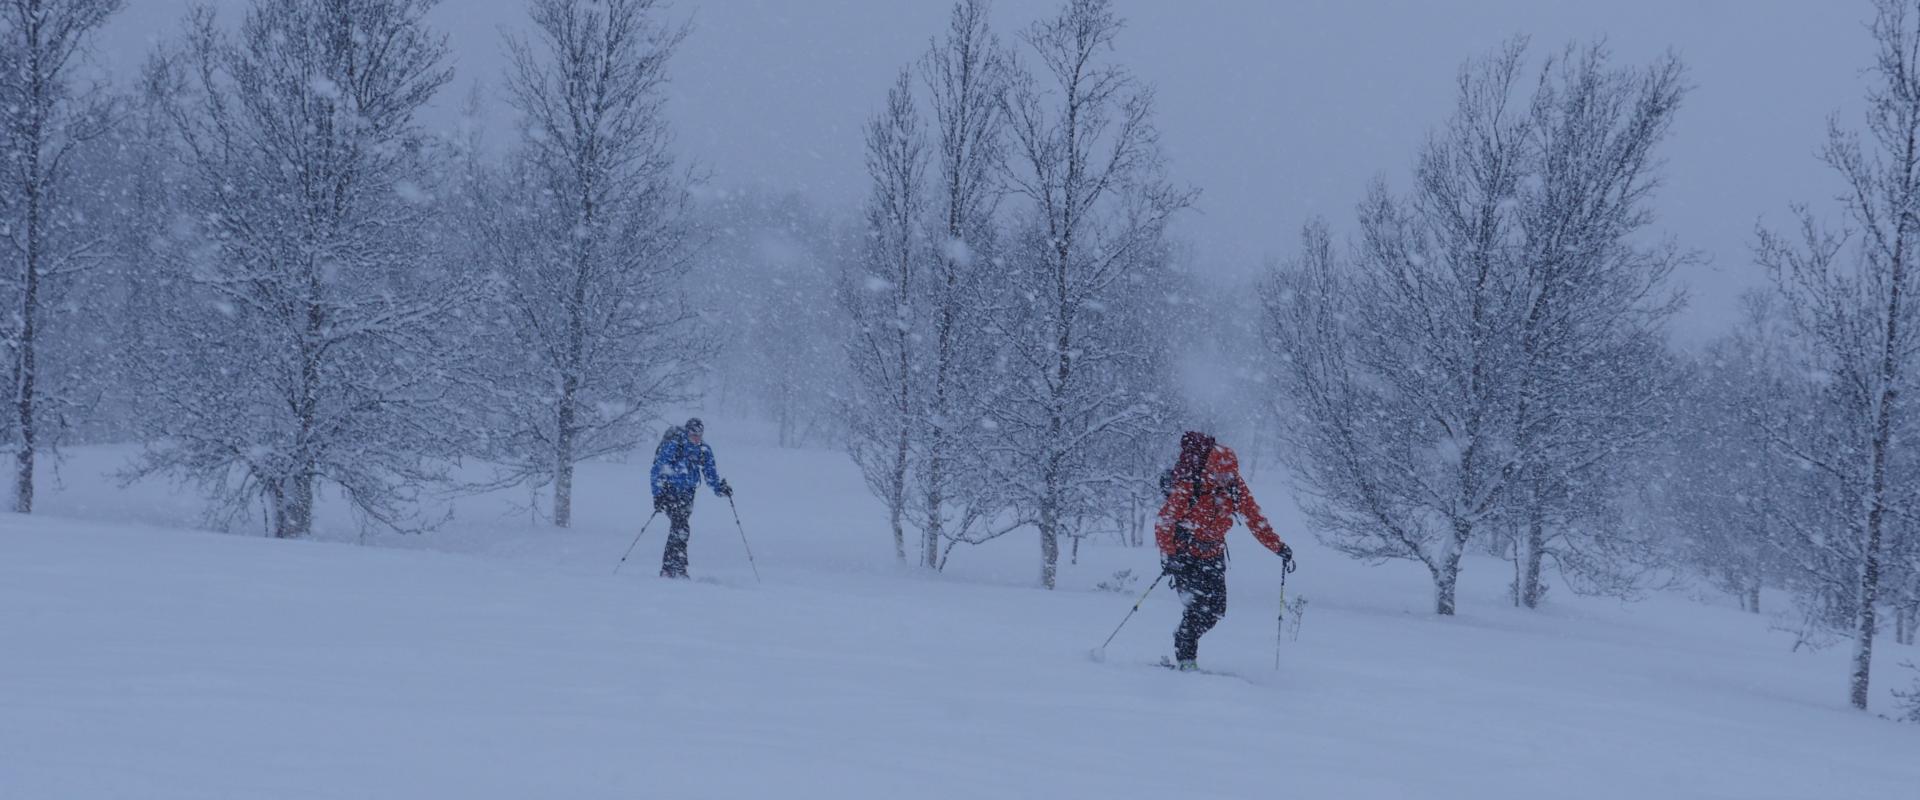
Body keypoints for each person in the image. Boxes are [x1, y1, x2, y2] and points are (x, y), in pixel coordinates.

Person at [1154, 431, 1294, 671]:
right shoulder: (1191, 486)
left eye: (1230, 473)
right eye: (1221, 473)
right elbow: (1165, 522)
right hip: (1186, 555)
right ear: (1210, 469)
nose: (1225, 478)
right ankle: (1186, 657)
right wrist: (1171, 554)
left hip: (1214, 556)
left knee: (1215, 611)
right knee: (1197, 608)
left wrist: (1278, 547)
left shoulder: (1234, 487)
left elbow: (1255, 518)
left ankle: (1184, 641)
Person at [650, 418, 732, 578]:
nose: (696, 438)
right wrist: (658, 495)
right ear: (687, 432)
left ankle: (672, 568)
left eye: (699, 435)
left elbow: (710, 473)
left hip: (688, 493)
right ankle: (675, 568)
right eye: (693, 434)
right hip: (670, 492)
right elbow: (658, 470)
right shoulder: (674, 445)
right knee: (681, 527)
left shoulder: (703, 450)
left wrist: (720, 489)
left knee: (679, 527)